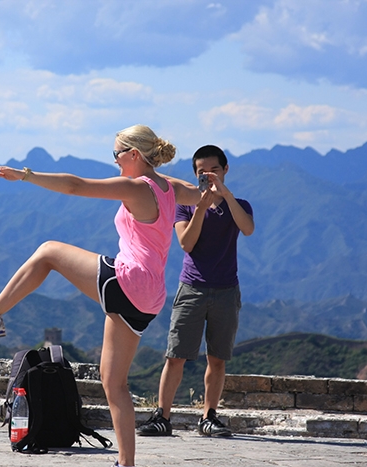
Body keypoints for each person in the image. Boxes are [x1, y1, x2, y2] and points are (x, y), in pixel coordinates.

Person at [0, 125, 200, 467]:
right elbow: (201, 195)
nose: (114, 161)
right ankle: (125, 463)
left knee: (49, 251)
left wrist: (26, 175)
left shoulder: (135, 186)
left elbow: (75, 185)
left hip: (129, 282)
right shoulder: (169, 188)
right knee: (114, 383)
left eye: (116, 154)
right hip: (151, 296)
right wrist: (215, 188)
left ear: (133, 155)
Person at [137, 144, 254, 438]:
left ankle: (209, 417)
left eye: (214, 170)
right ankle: (162, 416)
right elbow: (186, 243)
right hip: (192, 287)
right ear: (195, 176)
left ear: (225, 170)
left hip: (227, 289)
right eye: (203, 173)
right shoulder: (185, 206)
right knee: (175, 355)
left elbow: (248, 228)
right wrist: (201, 206)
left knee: (217, 358)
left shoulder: (239, 204)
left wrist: (224, 196)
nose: (209, 176)